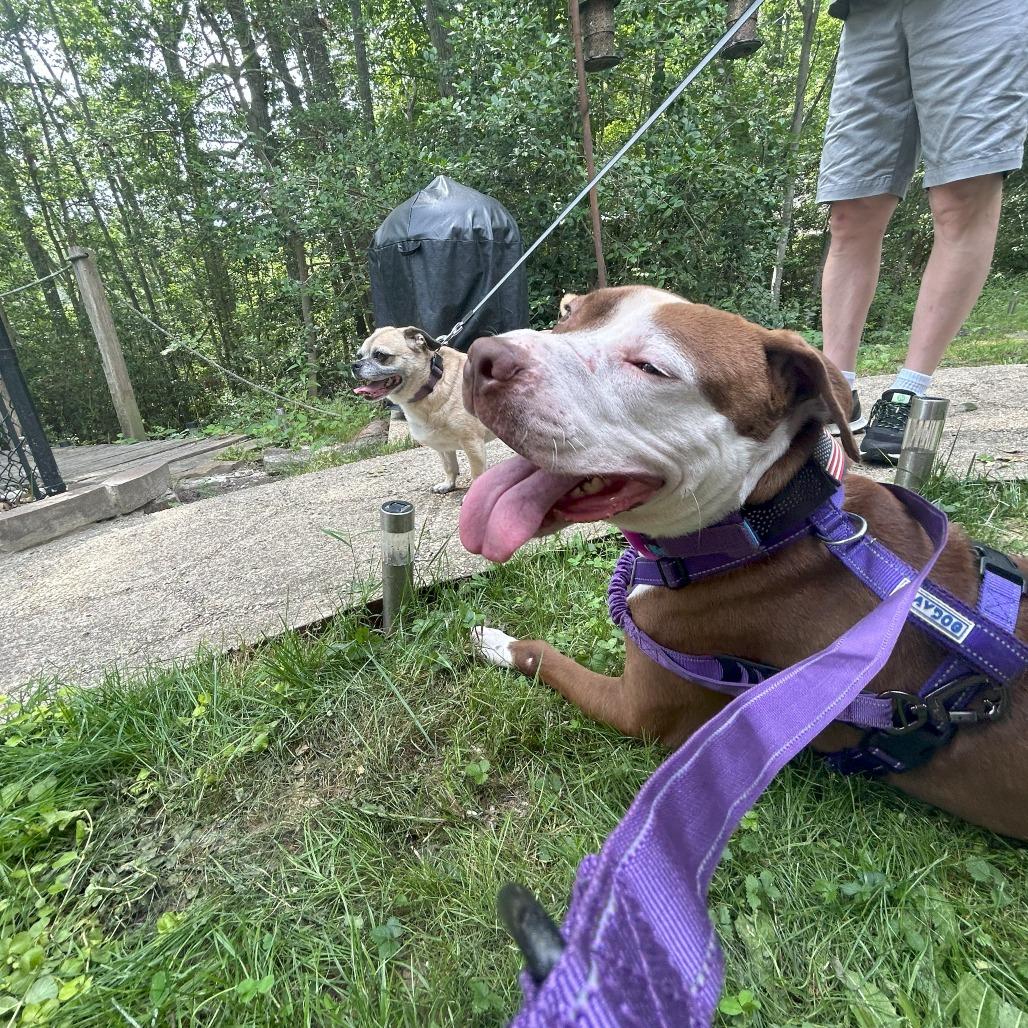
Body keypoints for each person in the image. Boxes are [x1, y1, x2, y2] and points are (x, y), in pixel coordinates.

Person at [818, 0, 1027, 464]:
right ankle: (837, 386)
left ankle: (910, 392)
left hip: (977, 10)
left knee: (960, 197)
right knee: (850, 208)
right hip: (868, 10)